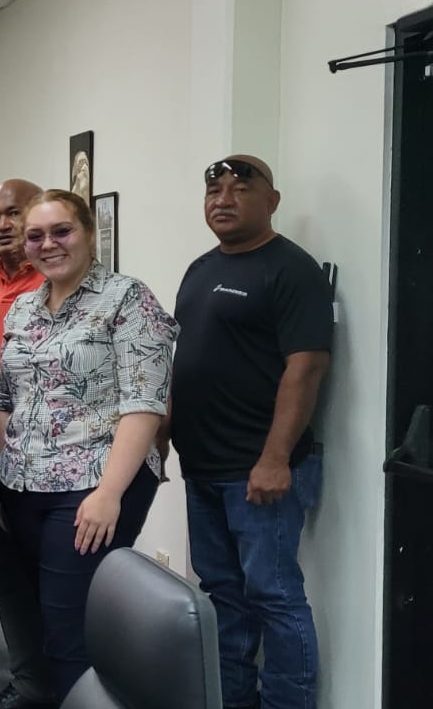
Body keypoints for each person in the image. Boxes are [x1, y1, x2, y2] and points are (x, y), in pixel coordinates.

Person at [0, 189, 178, 701]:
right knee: (36, 618)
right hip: (22, 484)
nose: (48, 244)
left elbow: (145, 403)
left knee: (69, 626)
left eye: (61, 231)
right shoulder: (25, 308)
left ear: (89, 232)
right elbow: (6, 398)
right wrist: (2, 479)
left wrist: (109, 493)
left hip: (94, 483)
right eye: (36, 236)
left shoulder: (127, 298)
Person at [168, 155, 332, 709]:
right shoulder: (199, 268)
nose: (224, 197)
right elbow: (185, 360)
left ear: (273, 200)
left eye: (242, 187)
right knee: (223, 596)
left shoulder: (291, 269)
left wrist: (276, 457)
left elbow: (306, 367)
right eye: (214, 187)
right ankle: (232, 700)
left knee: (275, 597)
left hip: (258, 470)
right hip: (204, 469)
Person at [0, 179, 58, 709]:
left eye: (14, 213)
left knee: (57, 590)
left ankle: (67, 688)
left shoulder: (55, 281)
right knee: (15, 589)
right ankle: (29, 687)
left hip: (51, 467)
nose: (3, 224)